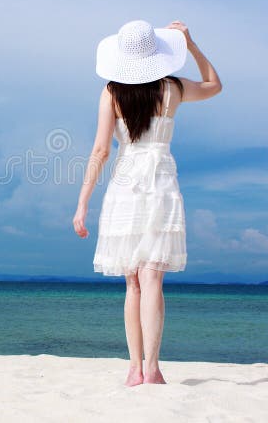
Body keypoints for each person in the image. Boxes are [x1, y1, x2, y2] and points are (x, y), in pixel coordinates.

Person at [72, 20, 222, 386]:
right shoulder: (172, 88)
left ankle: (133, 369)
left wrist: (82, 203)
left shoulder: (111, 92)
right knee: (152, 277)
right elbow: (215, 85)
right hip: (160, 179)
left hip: (125, 182)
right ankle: (153, 368)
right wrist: (191, 44)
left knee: (132, 283)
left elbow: (100, 150)